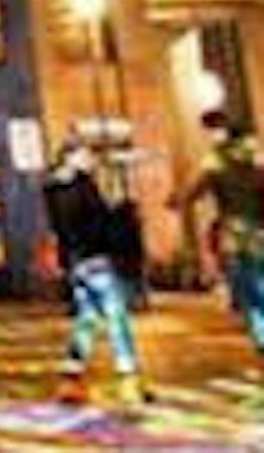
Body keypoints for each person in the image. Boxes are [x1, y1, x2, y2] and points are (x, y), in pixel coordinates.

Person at [46, 137, 150, 405]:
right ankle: (129, 378)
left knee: (87, 319)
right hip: (96, 260)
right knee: (117, 317)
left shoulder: (53, 189)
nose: (90, 161)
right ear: (72, 157)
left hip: (76, 262)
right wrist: (119, 213)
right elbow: (97, 222)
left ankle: (71, 375)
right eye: (86, 155)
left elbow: (62, 228)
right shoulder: (82, 186)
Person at [174, 110, 264, 357]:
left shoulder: (216, 161)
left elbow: (195, 190)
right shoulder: (255, 158)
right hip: (258, 229)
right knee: (257, 279)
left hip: (234, 231)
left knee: (246, 286)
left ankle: (261, 334)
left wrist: (179, 200)